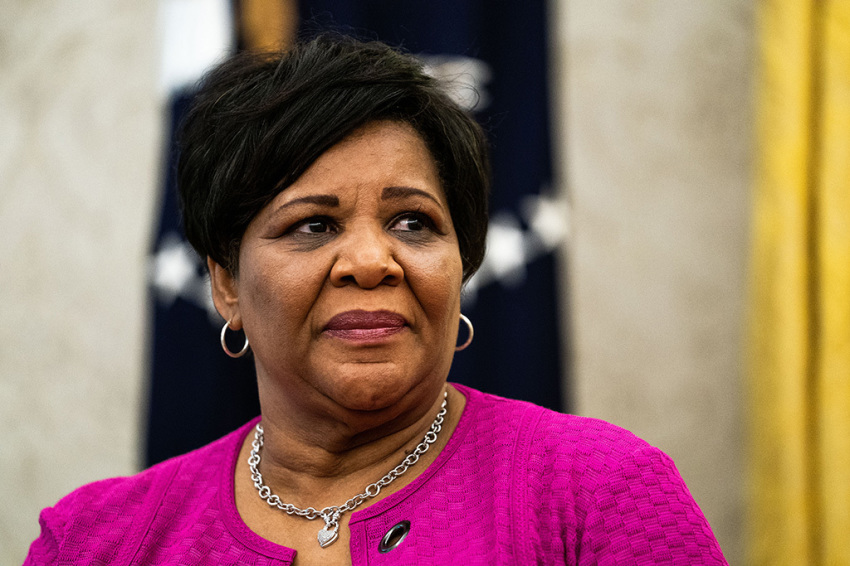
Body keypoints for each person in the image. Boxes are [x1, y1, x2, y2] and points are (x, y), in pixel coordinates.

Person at [25, 35, 727, 565]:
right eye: (313, 225)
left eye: (413, 222)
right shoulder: (94, 541)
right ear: (226, 283)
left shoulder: (599, 495)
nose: (371, 261)